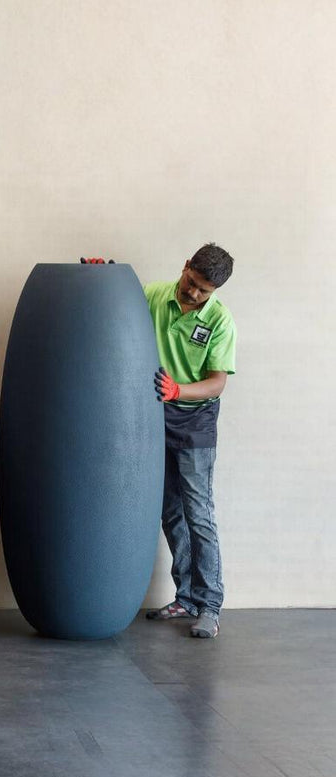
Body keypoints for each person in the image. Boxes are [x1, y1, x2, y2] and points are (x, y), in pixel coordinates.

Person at [142, 243, 237, 639]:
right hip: (155, 416)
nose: (194, 294)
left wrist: (179, 390)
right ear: (185, 267)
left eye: (204, 291)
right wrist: (102, 273)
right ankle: (186, 597)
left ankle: (210, 605)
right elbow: (118, 305)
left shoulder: (219, 321)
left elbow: (218, 381)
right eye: (192, 283)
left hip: (195, 419)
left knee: (198, 513)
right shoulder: (154, 295)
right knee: (170, 511)